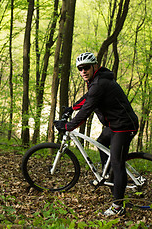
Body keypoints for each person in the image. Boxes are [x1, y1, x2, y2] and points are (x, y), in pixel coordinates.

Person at [54, 52, 139, 216]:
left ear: (95, 66)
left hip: (124, 126)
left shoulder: (100, 83)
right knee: (101, 142)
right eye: (80, 68)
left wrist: (67, 125)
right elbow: (87, 98)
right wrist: (71, 108)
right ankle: (109, 178)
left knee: (117, 163)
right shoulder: (95, 81)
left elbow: (87, 109)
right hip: (114, 124)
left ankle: (118, 207)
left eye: (86, 67)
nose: (83, 71)